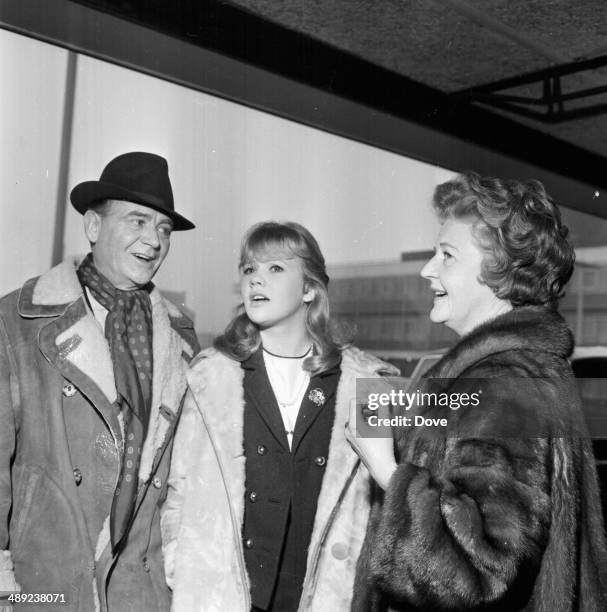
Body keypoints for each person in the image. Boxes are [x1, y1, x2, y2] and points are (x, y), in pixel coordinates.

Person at [348, 172, 607, 611]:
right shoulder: (499, 374)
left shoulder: (504, 383)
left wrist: (385, 468)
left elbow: (478, 569)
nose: (427, 269)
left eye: (447, 255)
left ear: (499, 273)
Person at [161, 221, 397, 611]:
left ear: (309, 289)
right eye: (249, 269)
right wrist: (184, 569)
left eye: (275, 269)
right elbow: (180, 488)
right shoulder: (211, 377)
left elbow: (380, 504)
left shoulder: (366, 383)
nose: (256, 280)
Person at [0, 152, 200, 612]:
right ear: (93, 226)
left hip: (143, 595)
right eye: (137, 221)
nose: (153, 240)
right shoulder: (19, 322)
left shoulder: (182, 338)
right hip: (44, 589)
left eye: (164, 229)